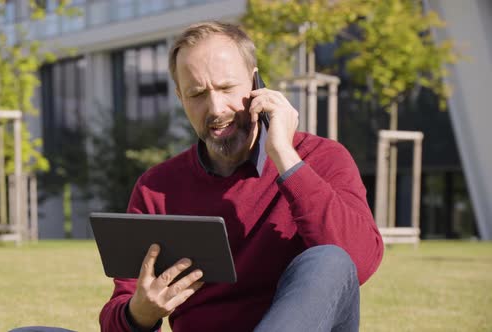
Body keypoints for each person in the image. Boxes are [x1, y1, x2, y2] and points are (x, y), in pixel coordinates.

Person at [99, 21, 383, 332]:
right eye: (196, 94)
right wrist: (139, 312)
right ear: (181, 97)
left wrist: (285, 157)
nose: (215, 107)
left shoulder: (322, 158)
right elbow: (118, 314)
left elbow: (357, 263)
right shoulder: (157, 188)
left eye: (225, 88)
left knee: (330, 259)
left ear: (255, 82)